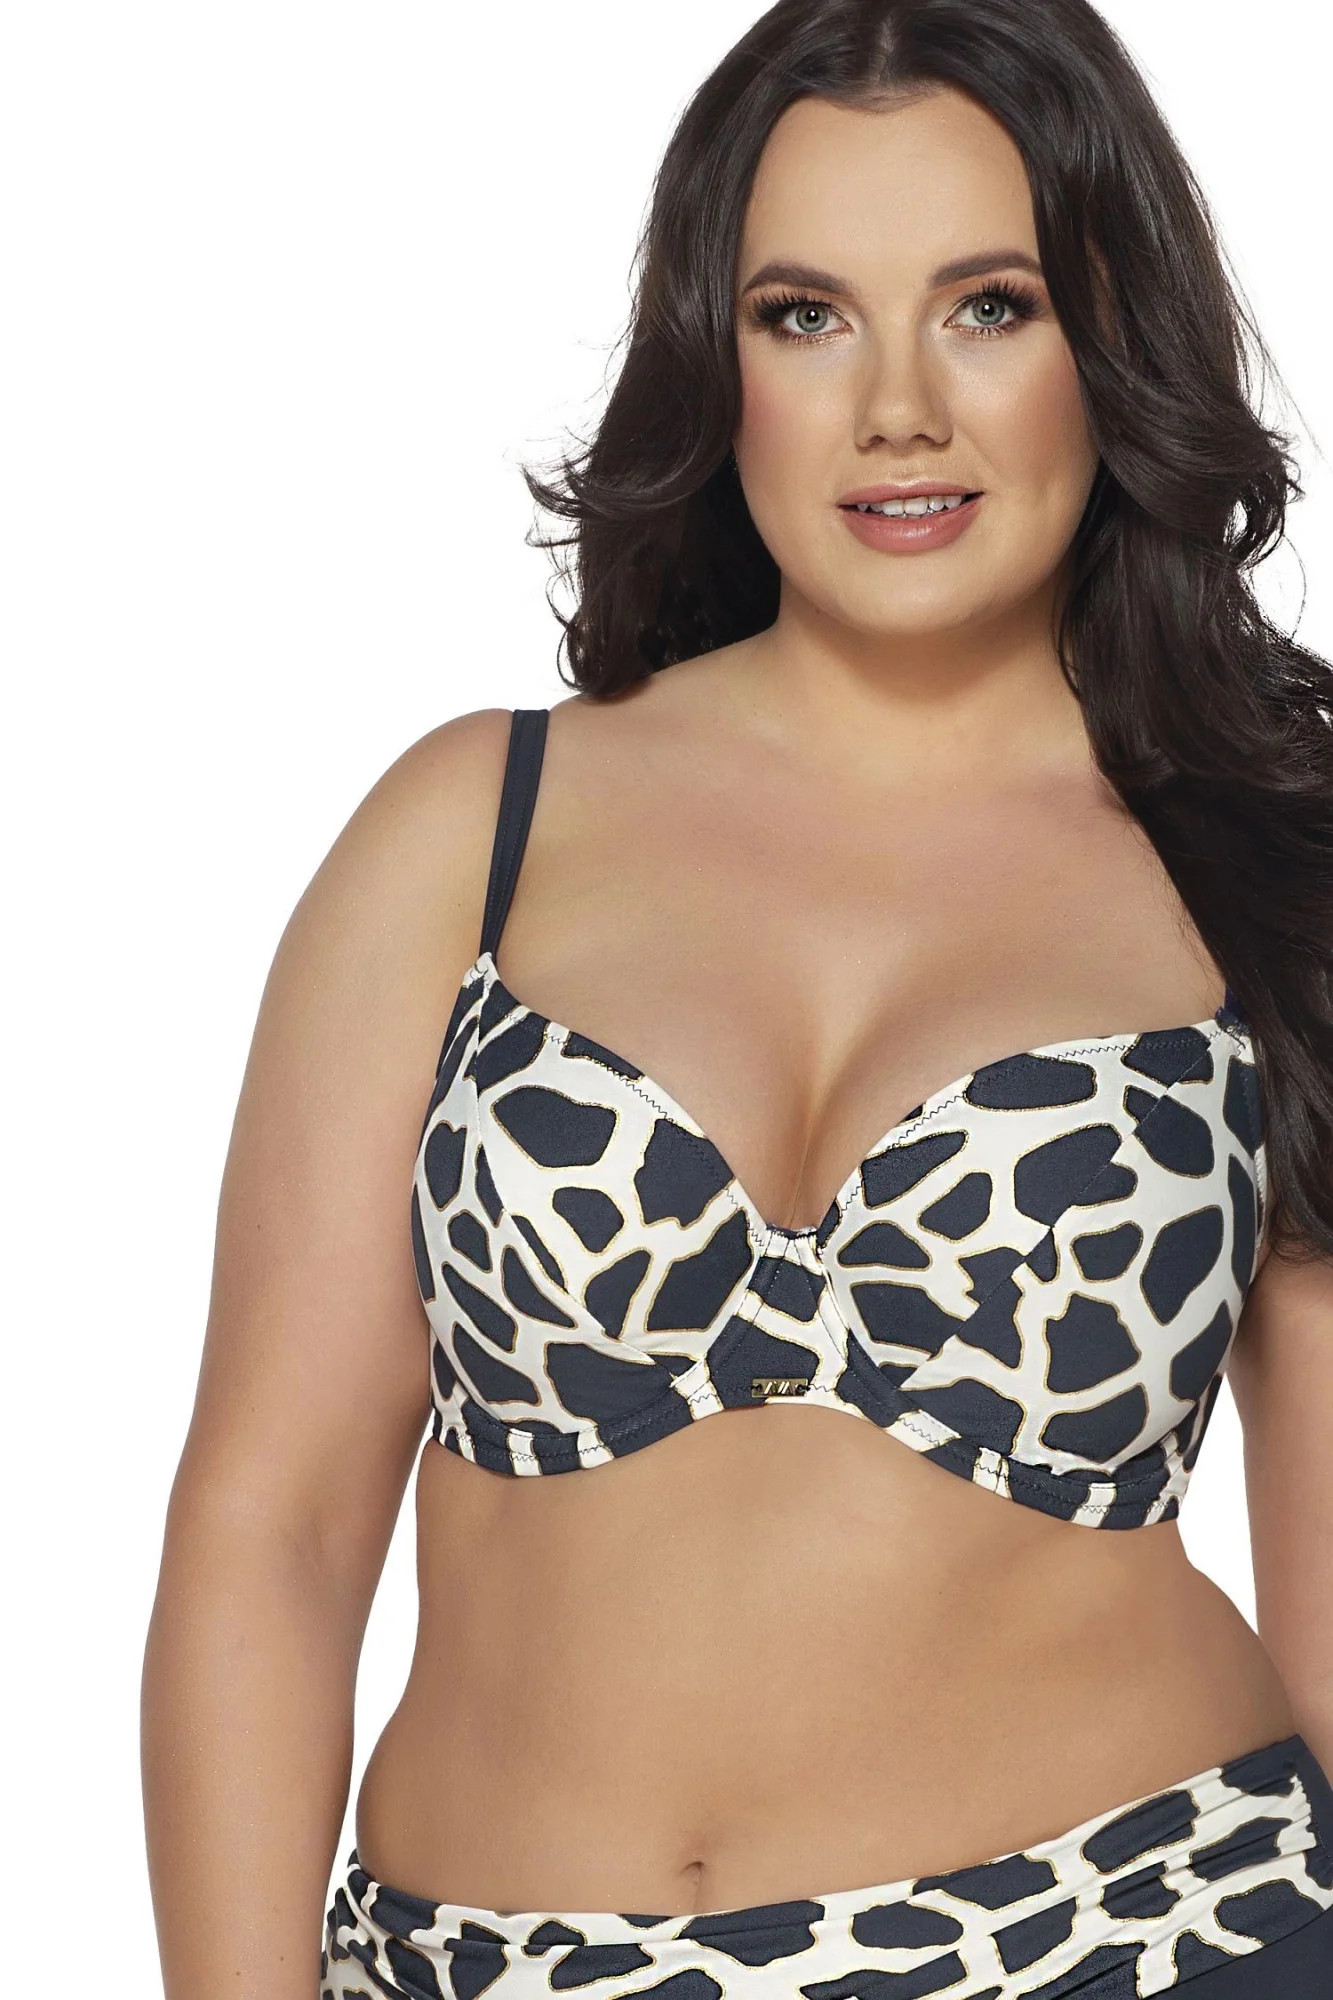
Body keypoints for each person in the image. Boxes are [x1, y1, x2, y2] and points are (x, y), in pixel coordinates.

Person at [141, 0, 1333, 1993]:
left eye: (988, 307)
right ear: (721, 362)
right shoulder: (477, 827)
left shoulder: (1273, 872)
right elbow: (268, 1530)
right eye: (806, 316)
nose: (897, 410)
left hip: (1139, 1935)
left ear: (1109, 343)